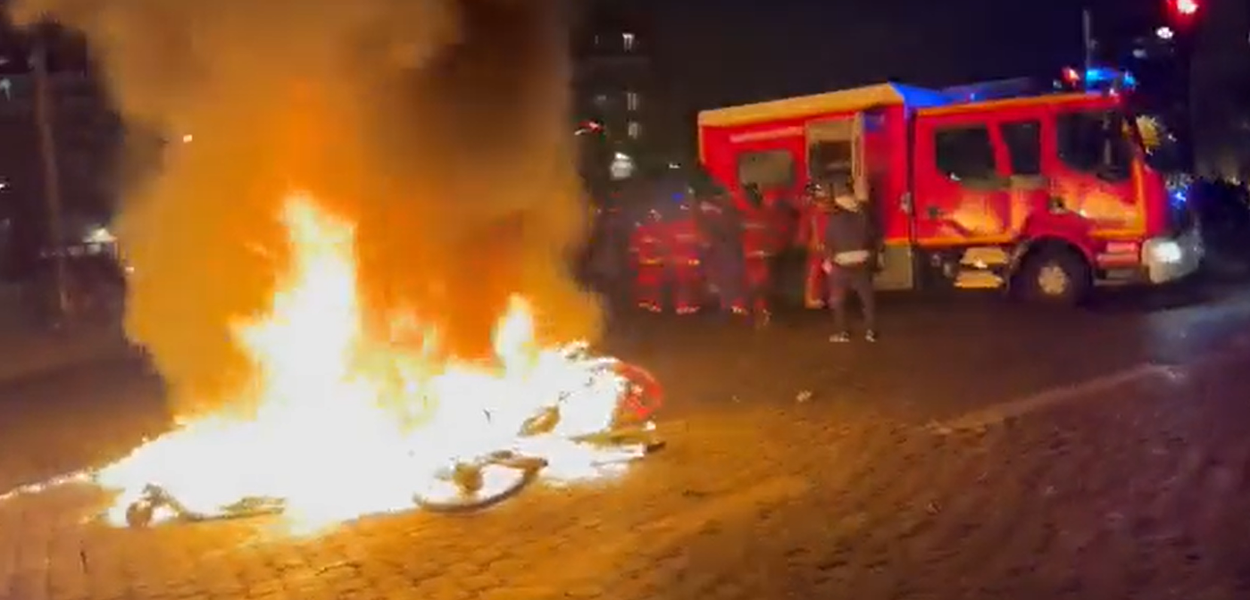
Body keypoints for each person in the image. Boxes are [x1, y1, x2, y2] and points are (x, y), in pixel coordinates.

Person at [823, 174, 877, 342]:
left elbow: (829, 242)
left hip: (842, 265)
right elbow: (873, 237)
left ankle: (843, 333)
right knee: (867, 299)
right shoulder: (864, 214)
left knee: (837, 300)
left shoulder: (833, 220)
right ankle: (871, 332)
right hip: (862, 262)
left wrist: (828, 260)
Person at [697, 186, 748, 317]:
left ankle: (726, 307)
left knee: (724, 280)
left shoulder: (714, 212)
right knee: (726, 280)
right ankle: (728, 306)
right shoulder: (726, 212)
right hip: (724, 251)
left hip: (723, 250)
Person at [739, 183, 778, 328]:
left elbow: (773, 236)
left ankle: (759, 312)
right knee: (755, 286)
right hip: (752, 256)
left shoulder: (765, 214)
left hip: (760, 256)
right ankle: (754, 313)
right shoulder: (745, 214)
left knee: (760, 286)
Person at [664, 198, 706, 314]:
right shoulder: (695, 226)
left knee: (681, 285)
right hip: (691, 263)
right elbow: (703, 244)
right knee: (690, 285)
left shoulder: (673, 227)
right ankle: (689, 307)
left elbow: (667, 245)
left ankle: (682, 307)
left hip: (678, 263)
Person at [796, 181, 834, 309]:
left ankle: (827, 297)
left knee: (828, 273)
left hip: (827, 247)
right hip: (818, 248)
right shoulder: (811, 212)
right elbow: (803, 233)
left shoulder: (828, 211)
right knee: (816, 272)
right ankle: (813, 298)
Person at [628, 208, 666, 312]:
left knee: (652, 285)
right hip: (647, 263)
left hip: (652, 263)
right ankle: (647, 303)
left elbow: (666, 246)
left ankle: (651, 303)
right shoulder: (642, 231)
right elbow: (634, 247)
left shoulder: (660, 231)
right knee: (647, 284)